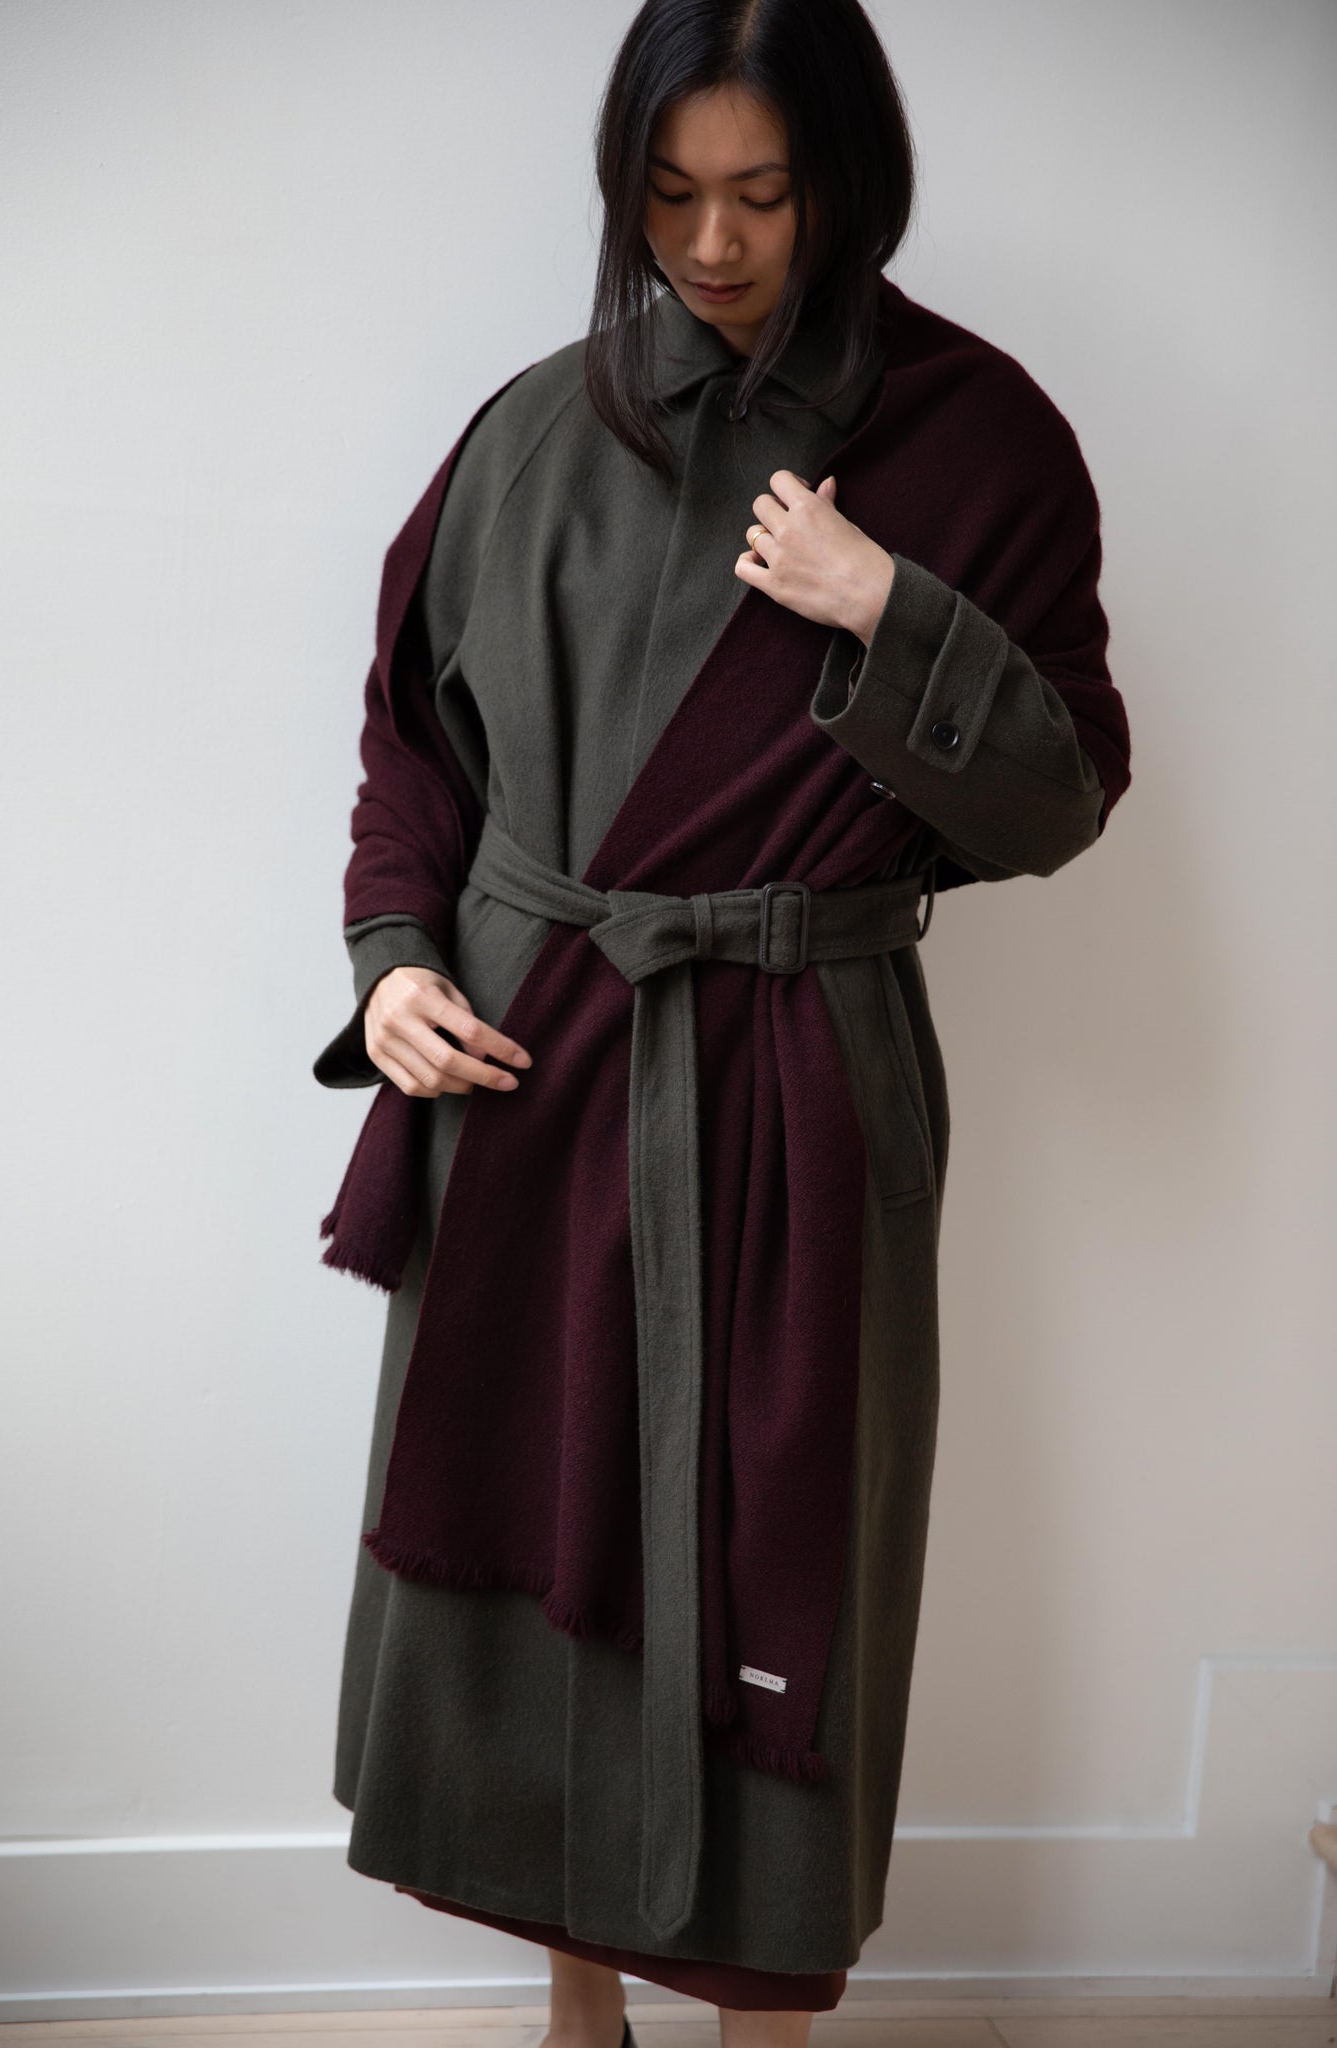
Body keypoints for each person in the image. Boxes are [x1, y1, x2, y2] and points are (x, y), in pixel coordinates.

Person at [311, 2, 1131, 2043]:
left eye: (761, 192)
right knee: (545, 1524)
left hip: (798, 1077)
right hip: (534, 1072)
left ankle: (760, 2023)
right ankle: (575, 2009)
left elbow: (1056, 803)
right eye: (668, 194)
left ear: (847, 180)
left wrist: (887, 607)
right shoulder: (535, 429)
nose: (711, 243)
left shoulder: (979, 439)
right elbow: (413, 743)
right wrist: (394, 960)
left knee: (781, 1550)